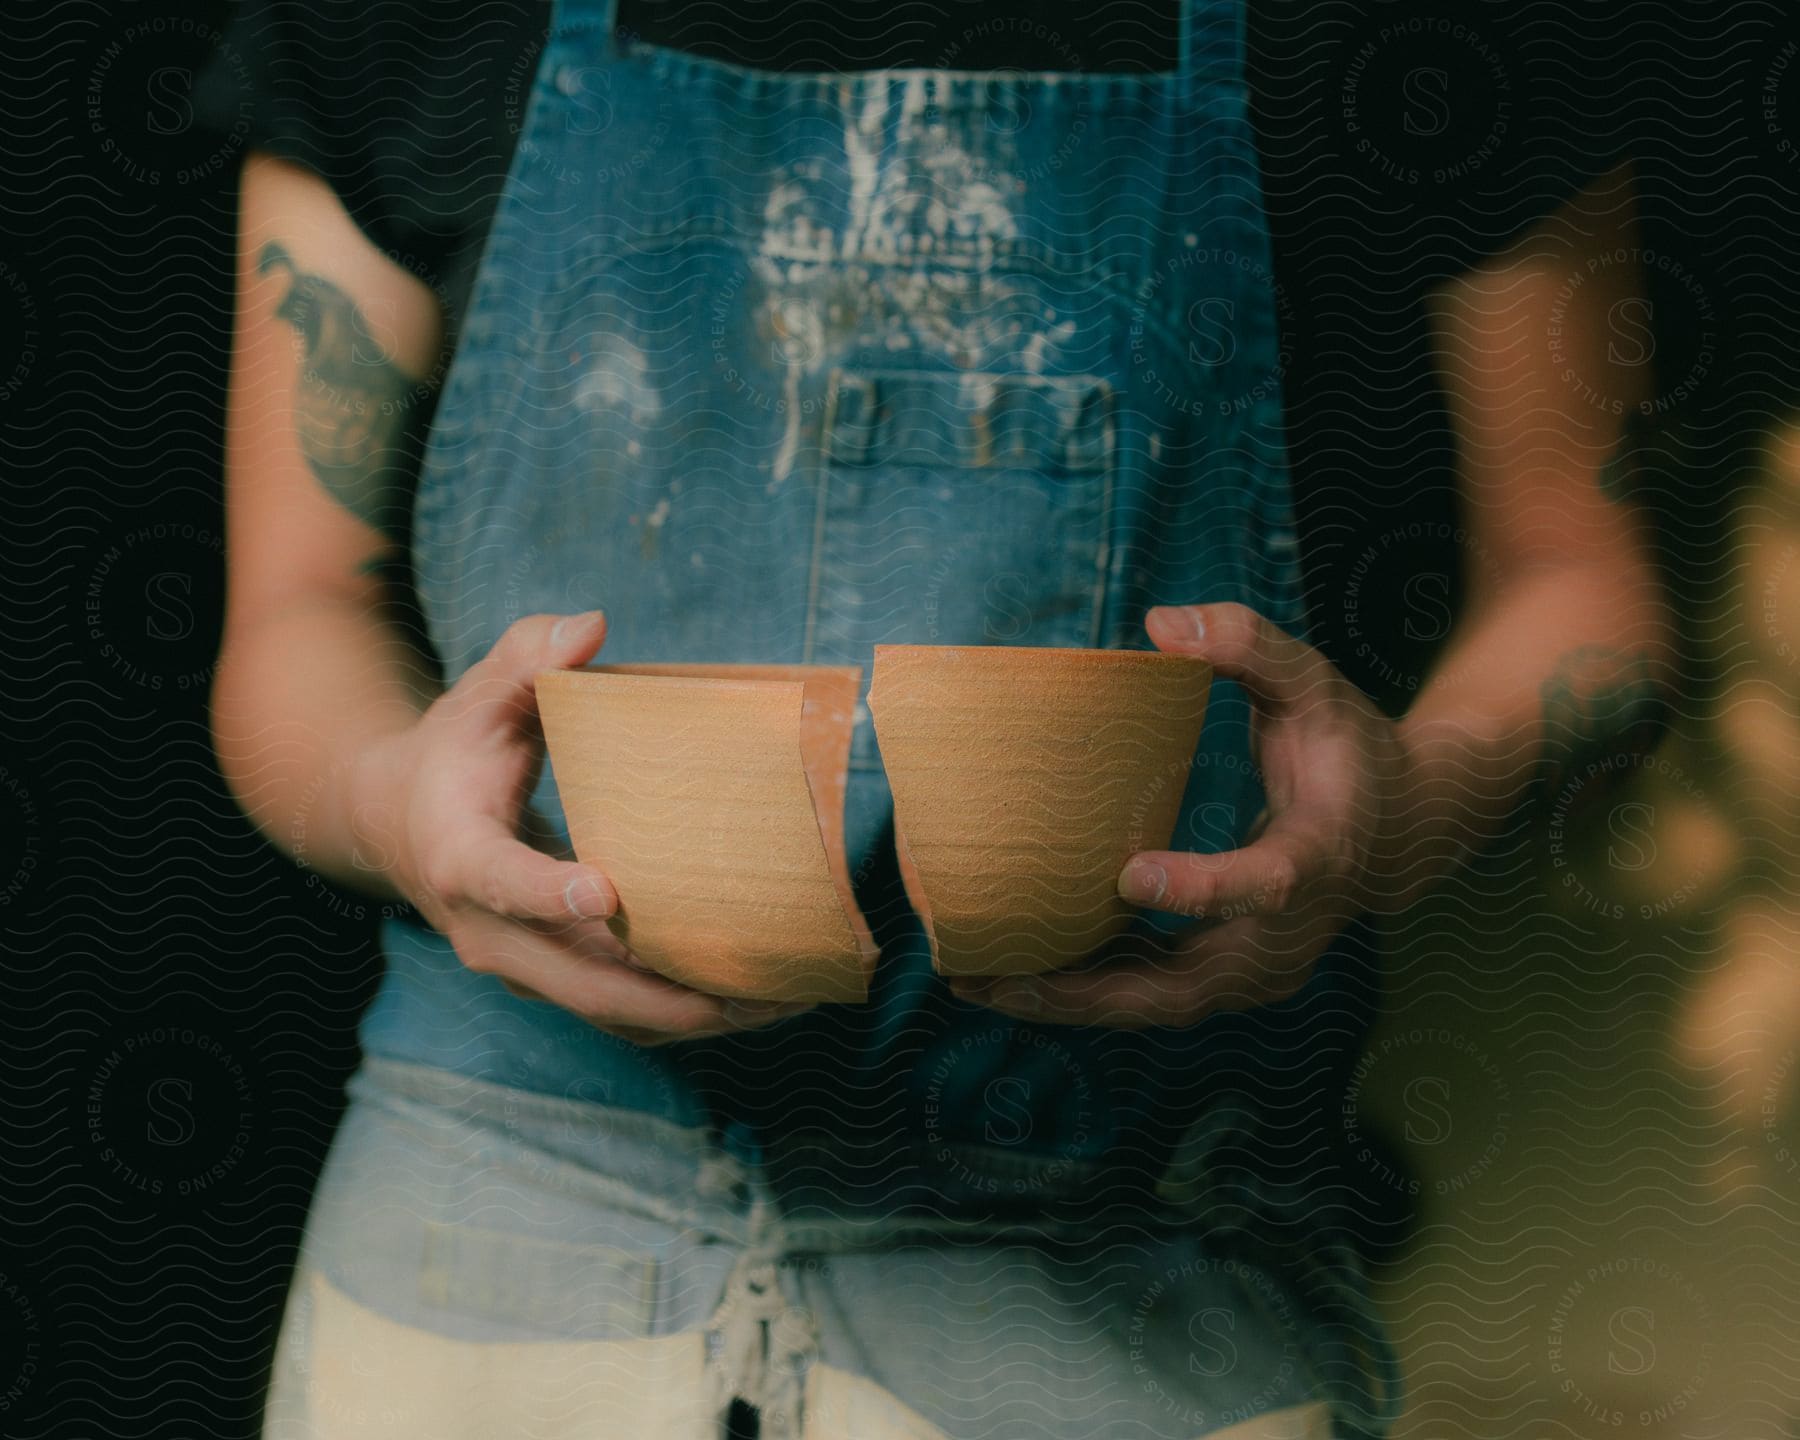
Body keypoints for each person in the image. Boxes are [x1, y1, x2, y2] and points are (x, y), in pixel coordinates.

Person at [202, 1, 1671, 1435]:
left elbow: (1584, 582)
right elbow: (293, 614)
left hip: (1115, 1228)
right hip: (495, 1190)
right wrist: (393, 803)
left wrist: (1406, 811)